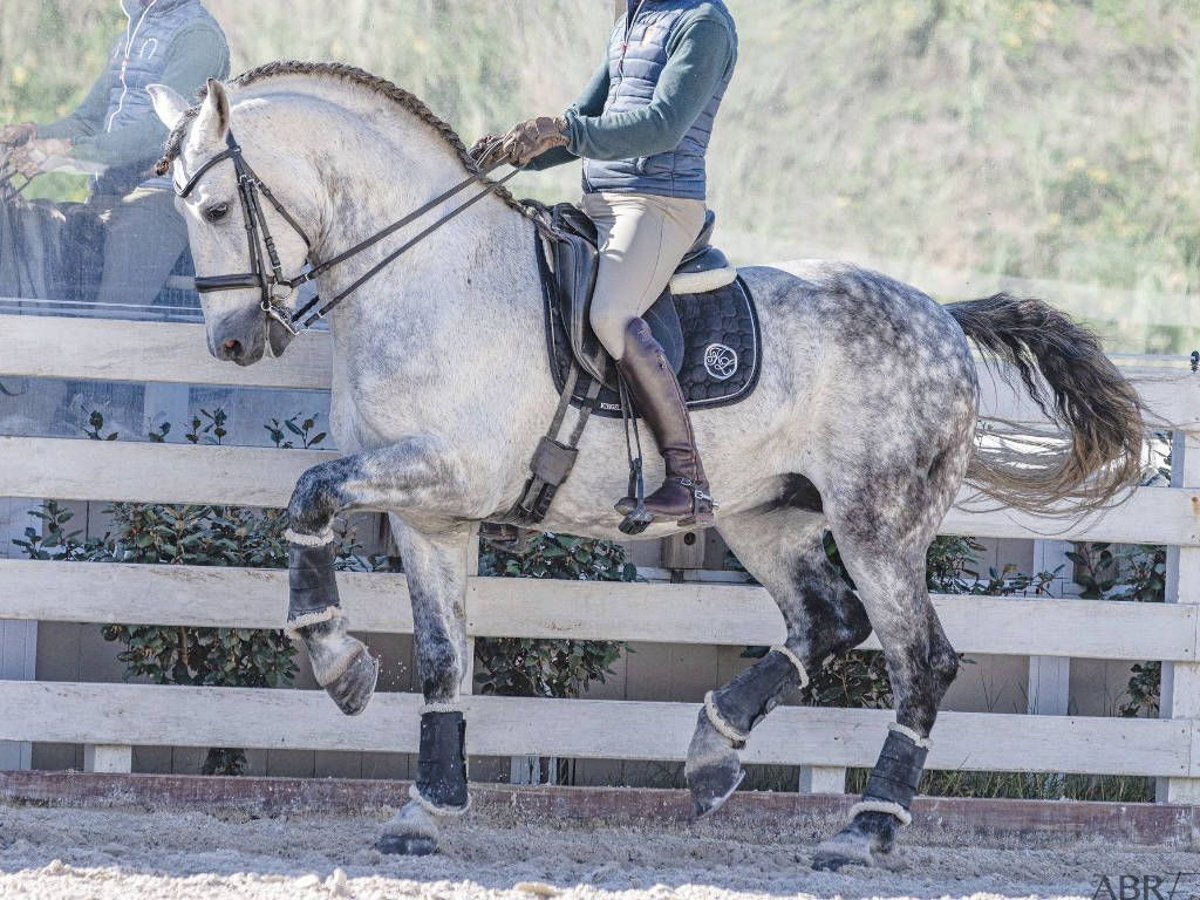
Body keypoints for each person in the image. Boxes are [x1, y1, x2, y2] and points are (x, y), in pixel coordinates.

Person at [477, 0, 738, 527]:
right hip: (599, 199)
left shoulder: (704, 23)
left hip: (657, 203)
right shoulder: (633, 20)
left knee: (610, 315)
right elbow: (583, 119)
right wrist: (519, 151)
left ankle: (688, 479)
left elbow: (663, 125)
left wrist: (566, 132)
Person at [0, 0, 229, 311]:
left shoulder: (198, 35)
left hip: (163, 197)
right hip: (111, 191)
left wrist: (70, 153)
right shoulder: (136, 30)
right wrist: (36, 133)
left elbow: (160, 132)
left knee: (109, 319)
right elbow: (88, 119)